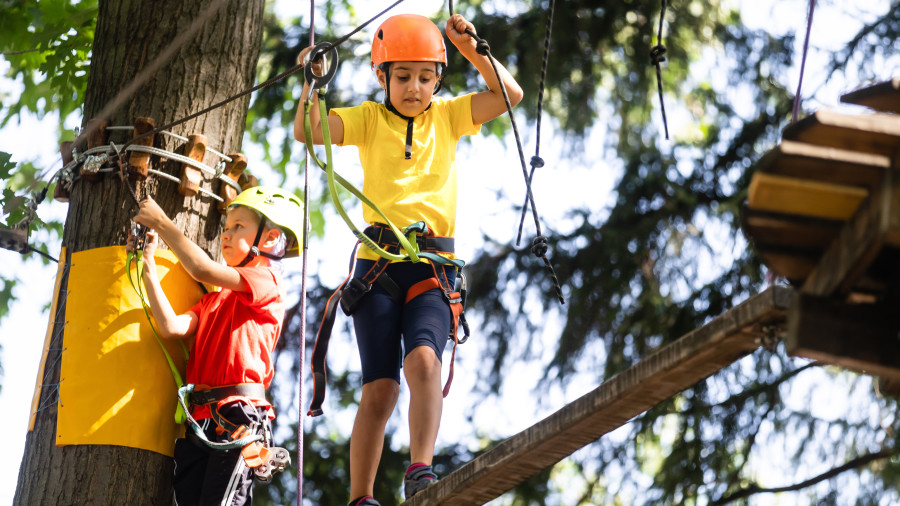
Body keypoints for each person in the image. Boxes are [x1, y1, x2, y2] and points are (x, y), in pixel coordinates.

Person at [294, 12, 523, 506]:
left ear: (438, 79)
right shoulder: (368, 120)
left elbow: (510, 96)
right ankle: (361, 497)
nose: (414, 88)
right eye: (402, 77)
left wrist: (471, 49)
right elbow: (307, 131)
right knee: (381, 390)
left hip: (433, 267)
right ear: (382, 78)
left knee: (424, 361)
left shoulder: (449, 116)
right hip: (377, 266)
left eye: (425, 77)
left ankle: (420, 468)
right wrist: (312, 84)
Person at [129, 186, 304, 506]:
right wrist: (148, 264)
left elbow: (202, 269)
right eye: (225, 228)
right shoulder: (212, 300)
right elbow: (171, 327)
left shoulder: (266, 282)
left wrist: (162, 223)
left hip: (239, 418)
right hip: (200, 424)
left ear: (267, 239)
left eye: (239, 226)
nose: (226, 234)